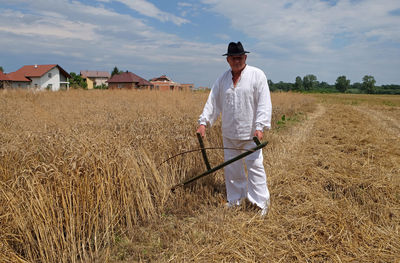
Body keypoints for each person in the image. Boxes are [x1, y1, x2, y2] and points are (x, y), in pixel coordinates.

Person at [196, 41, 272, 216]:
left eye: (240, 57)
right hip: (229, 134)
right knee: (232, 170)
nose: (237, 61)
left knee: (255, 168)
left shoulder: (257, 75)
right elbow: (213, 102)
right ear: (228, 60)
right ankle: (236, 201)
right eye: (233, 58)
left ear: (245, 57)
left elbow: (264, 103)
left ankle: (261, 205)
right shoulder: (222, 80)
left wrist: (260, 126)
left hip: (250, 134)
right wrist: (203, 123)